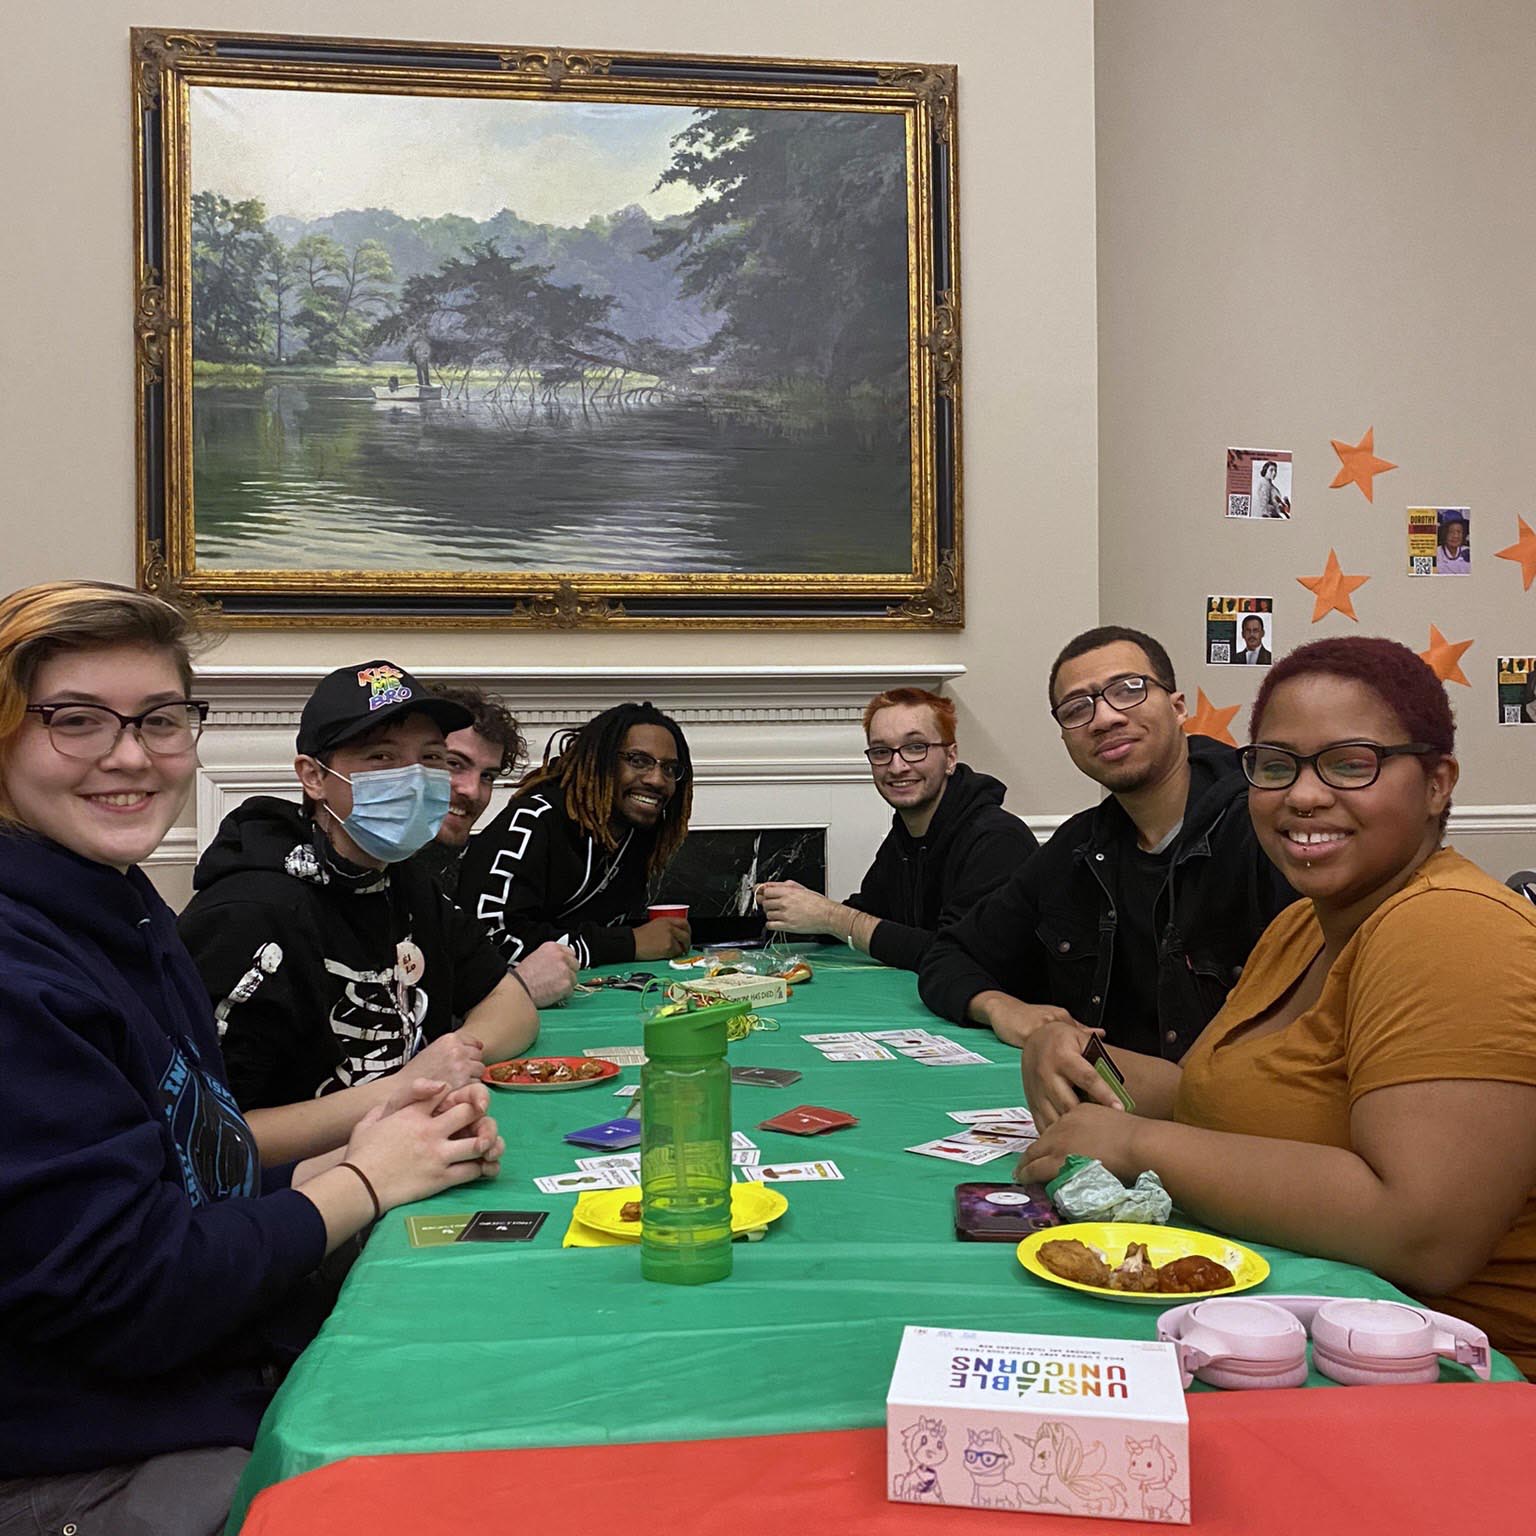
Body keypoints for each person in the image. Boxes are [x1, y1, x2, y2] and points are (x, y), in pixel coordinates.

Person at [0, 582, 504, 1533]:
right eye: (75, 720)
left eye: (159, 720)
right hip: (96, 1448)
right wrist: (358, 1177)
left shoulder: (124, 906)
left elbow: (187, 1160)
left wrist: (325, 1166)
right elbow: (131, 1292)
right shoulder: (27, 963)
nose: (128, 754)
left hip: (199, 1364)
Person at [1017, 636, 1536, 1377]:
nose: (1304, 795)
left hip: (1442, 1380)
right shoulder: (1304, 922)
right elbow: (1214, 1101)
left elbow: (1423, 1235)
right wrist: (1069, 1044)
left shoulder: (1451, 926)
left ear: (1436, 783)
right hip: (1285, 1331)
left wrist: (1136, 1146)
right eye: (1275, 765)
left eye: (1351, 763)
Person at [919, 625, 1295, 1123]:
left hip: (1249, 1134)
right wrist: (1000, 1008)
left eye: (1128, 690)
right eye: (1077, 709)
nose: (1105, 718)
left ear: (1178, 707)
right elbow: (950, 954)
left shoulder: (1266, 828)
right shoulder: (1078, 848)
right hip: (1113, 1124)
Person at [179, 660, 539, 1121]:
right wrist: (404, 1090)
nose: (413, 780)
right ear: (313, 777)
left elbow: (512, 1005)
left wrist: (451, 1056)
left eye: (431, 758)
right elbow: (211, 1135)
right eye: (382, 758)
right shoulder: (251, 914)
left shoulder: (401, 879)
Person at [755, 687, 1037, 970]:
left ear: (950, 758)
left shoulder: (997, 841)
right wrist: (794, 909)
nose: (897, 766)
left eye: (916, 748)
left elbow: (955, 955)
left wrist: (831, 917)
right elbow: (871, 912)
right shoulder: (904, 837)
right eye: (881, 751)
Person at [458, 701, 694, 967]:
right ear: (600, 760)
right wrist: (627, 944)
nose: (657, 780)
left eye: (670, 769)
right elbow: (492, 942)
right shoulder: (534, 820)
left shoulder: (638, 833)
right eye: (638, 761)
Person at [412, 682, 577, 1006]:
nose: (473, 791)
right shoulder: (363, 874)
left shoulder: (446, 873)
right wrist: (521, 987)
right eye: (453, 764)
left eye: (487, 776)